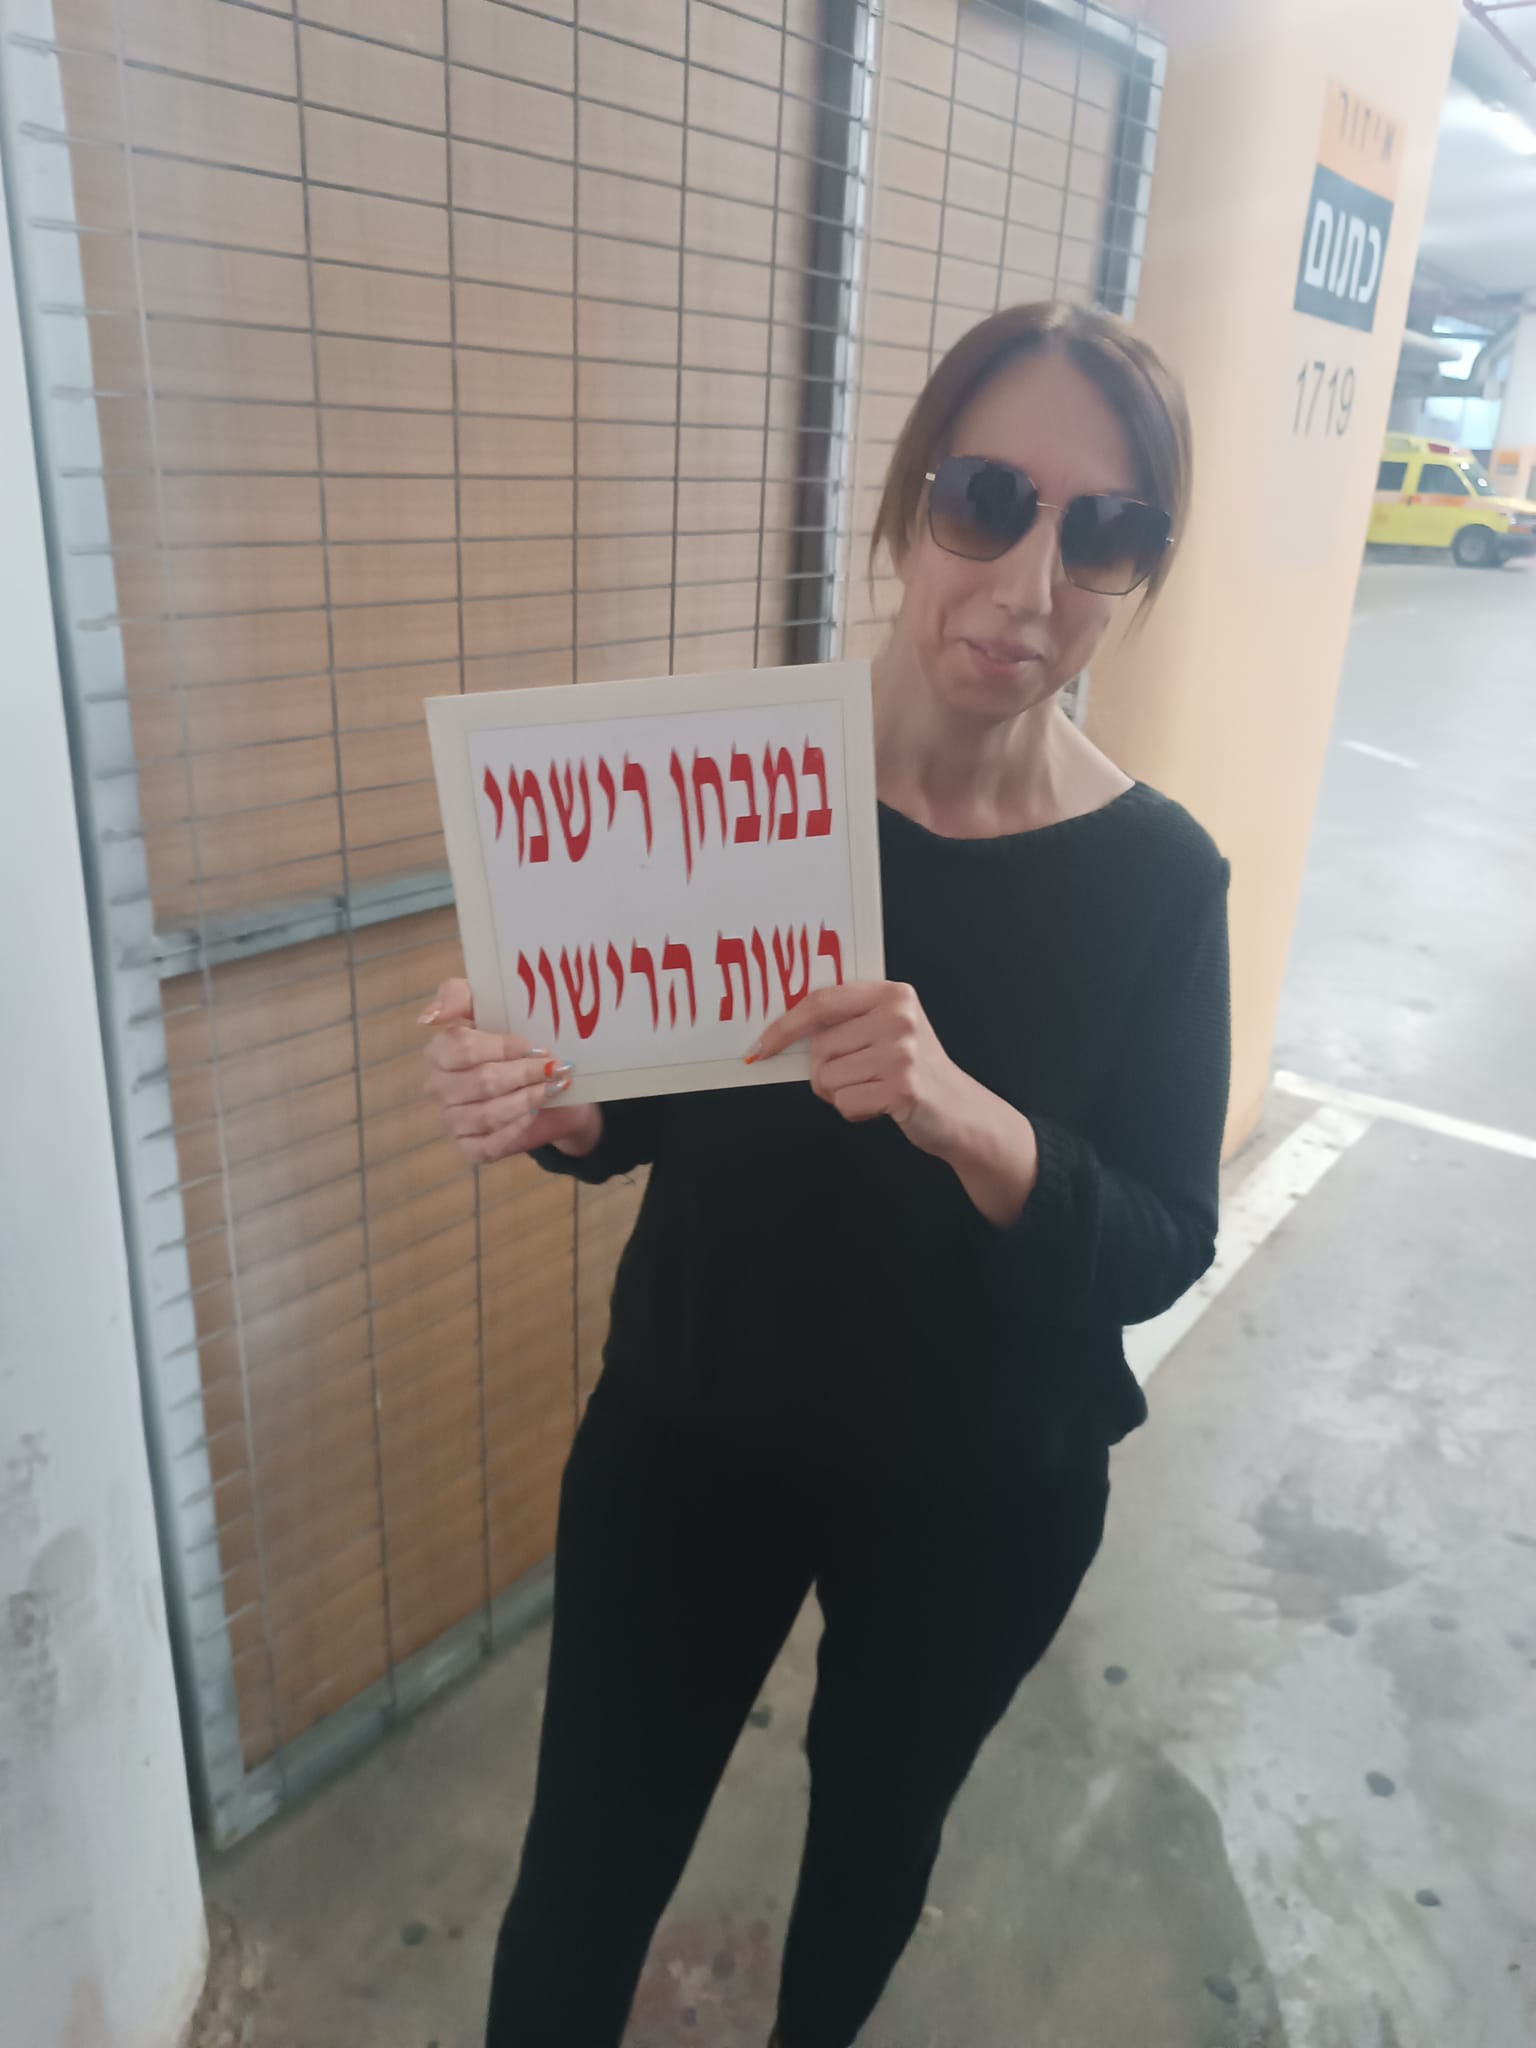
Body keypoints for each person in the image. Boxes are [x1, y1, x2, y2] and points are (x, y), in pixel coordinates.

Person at [421, 300, 1231, 2048]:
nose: (1030, 587)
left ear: (1141, 569)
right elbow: (641, 1106)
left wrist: (968, 1115)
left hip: (981, 1486)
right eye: (988, 500)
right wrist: (553, 1102)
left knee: (873, 1845)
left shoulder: (1161, 879)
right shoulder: (733, 783)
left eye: (1104, 533)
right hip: (694, 1432)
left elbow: (1167, 1237)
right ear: (908, 501)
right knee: (585, 1872)